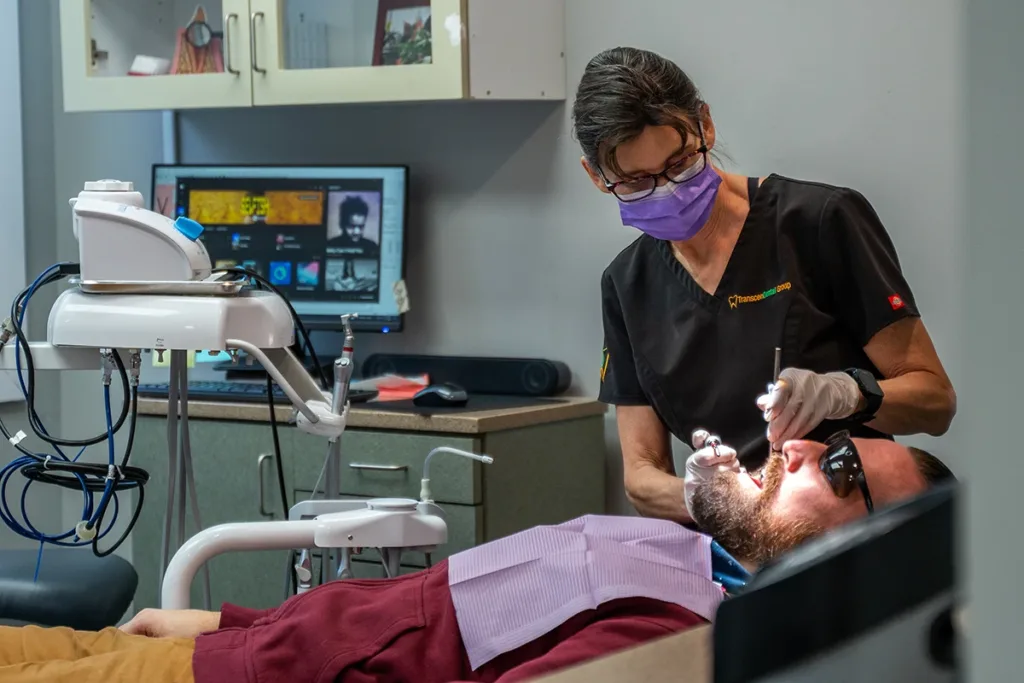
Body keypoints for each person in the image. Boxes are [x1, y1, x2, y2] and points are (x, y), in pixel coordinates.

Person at [0, 435, 951, 683]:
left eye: (838, 465)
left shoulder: (673, 636)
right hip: (231, 649)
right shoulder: (686, 557)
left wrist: (241, 655)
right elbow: (424, 618)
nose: (797, 444)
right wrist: (228, 620)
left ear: (860, 548)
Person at [574, 47, 957, 522]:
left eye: (680, 163)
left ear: (705, 125)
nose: (668, 190)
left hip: (849, 527)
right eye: (635, 182)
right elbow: (641, 477)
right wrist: (710, 497)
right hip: (737, 543)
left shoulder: (817, 222)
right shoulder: (627, 285)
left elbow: (935, 402)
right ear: (596, 175)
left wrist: (848, 394)